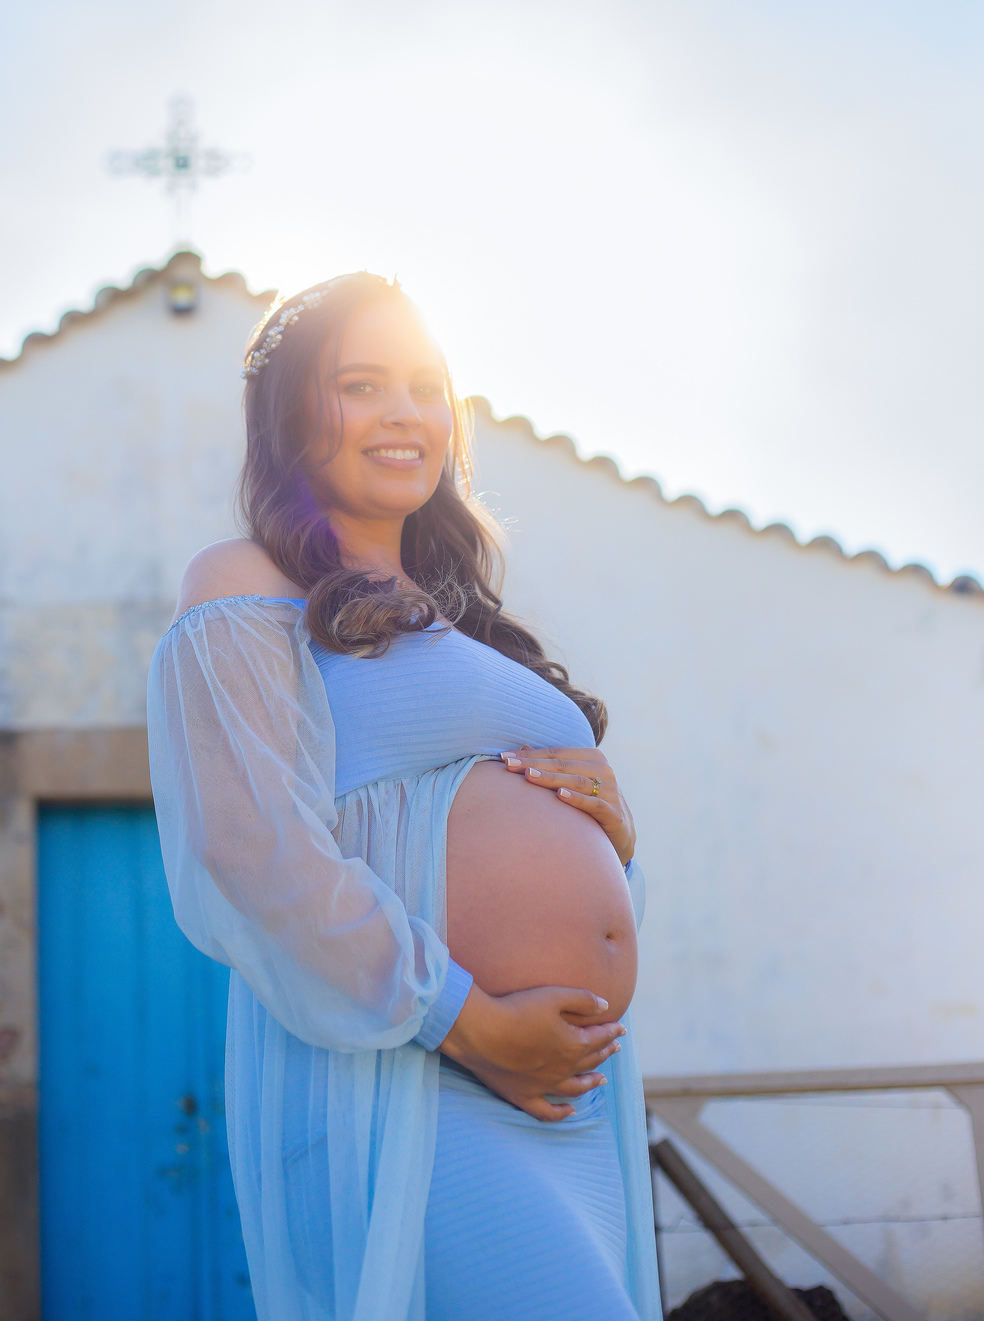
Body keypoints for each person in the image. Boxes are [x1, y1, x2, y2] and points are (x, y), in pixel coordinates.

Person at [148, 272, 660, 1321]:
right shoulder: (243, 582)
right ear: (292, 414)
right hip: (415, 1079)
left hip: (568, 1094)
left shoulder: (465, 623)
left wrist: (610, 840)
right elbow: (249, 857)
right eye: (361, 383)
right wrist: (464, 1017)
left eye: (426, 385)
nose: (404, 413)